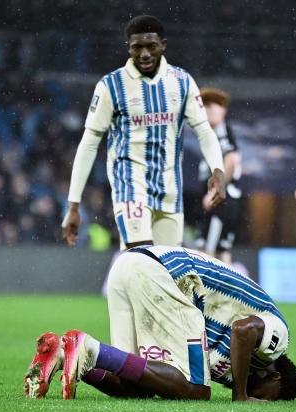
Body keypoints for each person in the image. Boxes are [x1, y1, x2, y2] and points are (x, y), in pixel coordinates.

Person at [24, 245, 296, 402]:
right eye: (272, 397)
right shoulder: (278, 340)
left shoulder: (231, 369)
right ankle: (90, 347)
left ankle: (65, 353)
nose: (264, 401)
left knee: (134, 386)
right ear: (275, 378)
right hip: (163, 273)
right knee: (197, 391)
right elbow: (243, 331)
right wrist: (241, 395)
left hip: (128, 267)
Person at [62, 15, 226, 251]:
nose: (145, 54)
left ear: (163, 45)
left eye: (151, 46)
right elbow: (89, 144)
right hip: (130, 186)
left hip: (170, 191)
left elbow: (204, 131)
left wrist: (217, 170)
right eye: (137, 47)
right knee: (141, 257)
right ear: (128, 47)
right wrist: (73, 205)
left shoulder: (182, 82)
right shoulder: (111, 86)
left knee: (169, 272)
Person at [195, 87, 243, 263]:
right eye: (204, 106)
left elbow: (232, 159)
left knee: (206, 252)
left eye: (211, 106)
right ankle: (224, 290)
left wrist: (214, 192)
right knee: (222, 250)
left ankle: (207, 290)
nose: (206, 111)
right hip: (222, 201)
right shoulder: (213, 133)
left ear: (222, 110)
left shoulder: (222, 133)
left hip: (221, 201)